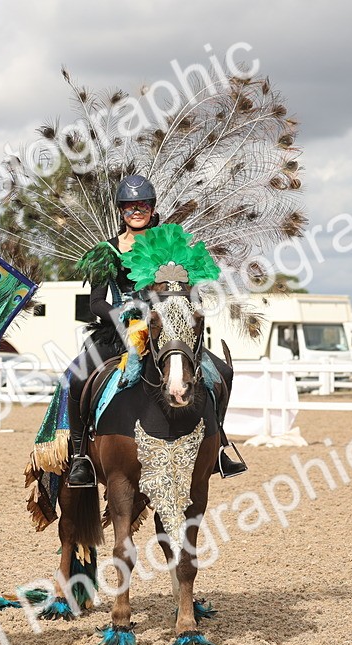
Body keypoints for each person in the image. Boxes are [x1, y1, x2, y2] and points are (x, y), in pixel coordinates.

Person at [65, 175, 247, 488]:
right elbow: (96, 302)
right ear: (120, 210)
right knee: (77, 376)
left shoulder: (170, 247)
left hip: (169, 328)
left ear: (152, 208)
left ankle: (219, 446)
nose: (137, 211)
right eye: (129, 206)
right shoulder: (105, 251)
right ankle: (81, 455)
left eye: (143, 205)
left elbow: (189, 288)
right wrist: (120, 314)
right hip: (120, 332)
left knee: (220, 373)